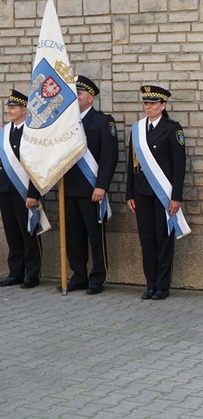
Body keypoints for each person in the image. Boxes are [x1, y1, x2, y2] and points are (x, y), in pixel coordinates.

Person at [126, 85, 187, 300]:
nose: (148, 107)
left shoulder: (172, 129)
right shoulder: (138, 129)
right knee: (147, 239)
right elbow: (131, 164)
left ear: (163, 105)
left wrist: (176, 196)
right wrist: (129, 193)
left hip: (163, 193)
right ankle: (150, 284)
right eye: (146, 103)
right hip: (141, 191)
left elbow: (179, 165)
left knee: (163, 238)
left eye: (153, 103)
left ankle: (162, 286)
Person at [60, 76, 119, 294]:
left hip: (92, 189)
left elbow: (109, 157)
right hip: (68, 189)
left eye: (79, 94)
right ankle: (79, 276)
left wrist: (101, 186)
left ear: (90, 98)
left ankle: (98, 277)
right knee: (73, 236)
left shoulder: (103, 122)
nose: (75, 98)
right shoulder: (65, 122)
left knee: (95, 236)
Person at [0, 90, 44, 289]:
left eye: (13, 107)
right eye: (8, 107)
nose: (9, 110)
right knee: (12, 233)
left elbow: (38, 165)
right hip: (5, 189)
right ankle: (15, 273)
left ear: (24, 110)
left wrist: (33, 193)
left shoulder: (32, 133)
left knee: (29, 232)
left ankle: (32, 274)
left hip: (24, 190)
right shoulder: (4, 133)